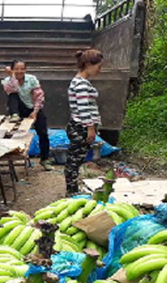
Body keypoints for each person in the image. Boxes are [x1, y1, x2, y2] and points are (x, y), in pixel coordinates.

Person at [65, 49, 104, 196]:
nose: (99, 70)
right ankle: (71, 191)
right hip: (81, 127)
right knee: (74, 161)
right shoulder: (81, 84)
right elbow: (83, 108)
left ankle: (72, 189)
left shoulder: (80, 81)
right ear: (88, 64)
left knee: (75, 159)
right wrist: (90, 128)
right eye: (98, 67)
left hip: (79, 126)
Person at [1, 60, 51, 171]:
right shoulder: (7, 81)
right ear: (13, 70)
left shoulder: (31, 79)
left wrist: (35, 112)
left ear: (25, 69)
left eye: (22, 69)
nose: (19, 71)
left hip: (33, 107)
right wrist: (12, 76)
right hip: (18, 108)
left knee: (43, 132)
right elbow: (12, 90)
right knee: (13, 94)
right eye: (16, 69)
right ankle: (15, 114)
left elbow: (39, 96)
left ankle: (45, 159)